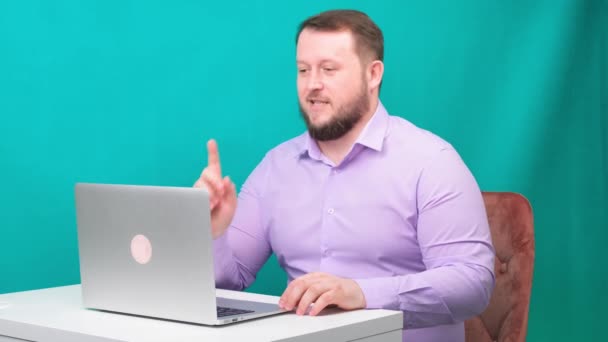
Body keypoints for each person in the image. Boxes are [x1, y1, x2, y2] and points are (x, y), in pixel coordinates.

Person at [194, 9, 495, 342]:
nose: (312, 85)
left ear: (373, 74)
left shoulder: (432, 162)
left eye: (329, 69)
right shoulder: (275, 167)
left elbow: (472, 284)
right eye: (303, 70)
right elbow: (229, 281)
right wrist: (215, 234)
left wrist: (362, 294)